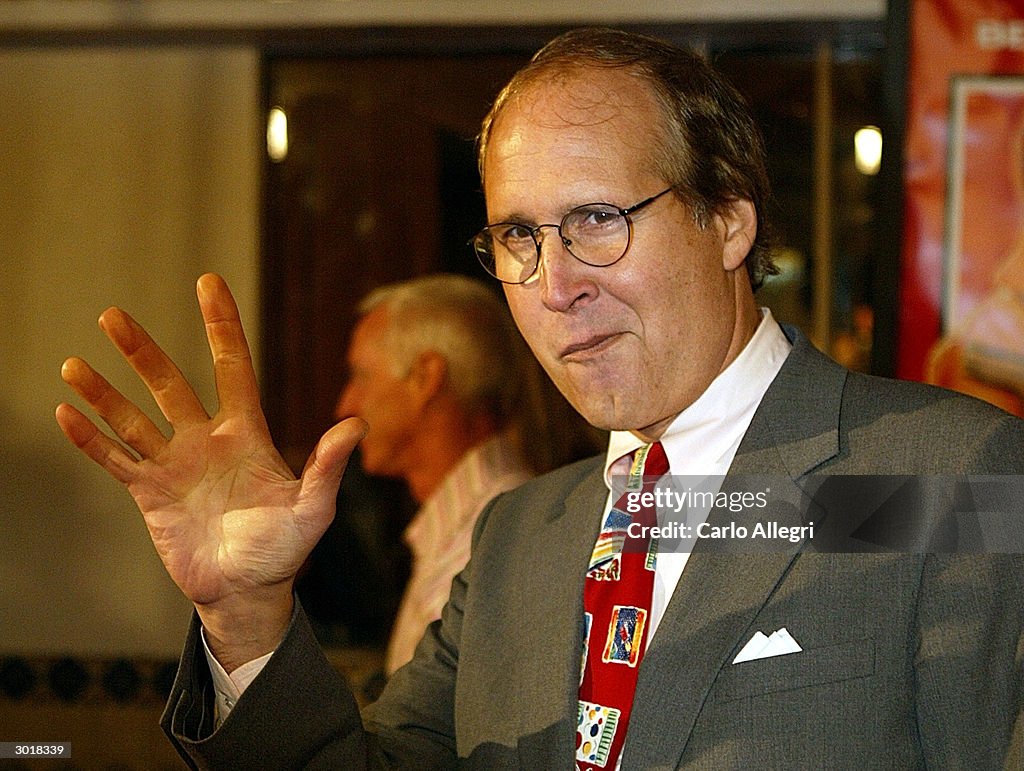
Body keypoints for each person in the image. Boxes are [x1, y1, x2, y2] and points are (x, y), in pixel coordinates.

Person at [55, 28, 1023, 769]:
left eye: (597, 220)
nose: (555, 284)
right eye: (518, 238)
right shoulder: (524, 536)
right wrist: (248, 617)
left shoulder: (943, 476)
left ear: (728, 220)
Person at [332, 274, 536, 674]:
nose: (345, 405)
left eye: (361, 376)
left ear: (426, 377)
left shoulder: (490, 541)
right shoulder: (467, 527)